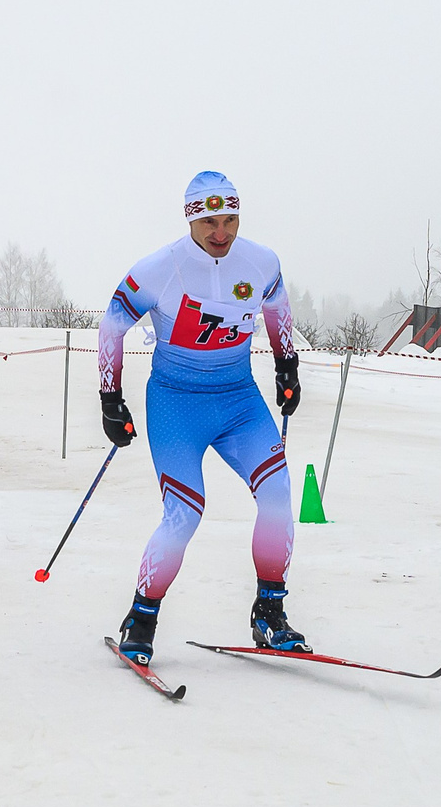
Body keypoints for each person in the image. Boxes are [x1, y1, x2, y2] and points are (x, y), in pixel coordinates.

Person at [94, 170, 307, 665]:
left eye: (230, 219)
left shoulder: (261, 262)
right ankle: (141, 618)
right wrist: (110, 396)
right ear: (191, 217)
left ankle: (270, 615)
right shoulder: (161, 268)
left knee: (277, 497)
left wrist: (286, 365)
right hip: (176, 403)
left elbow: (278, 310)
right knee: (185, 513)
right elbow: (111, 325)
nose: (222, 232)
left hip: (239, 401)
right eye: (210, 220)